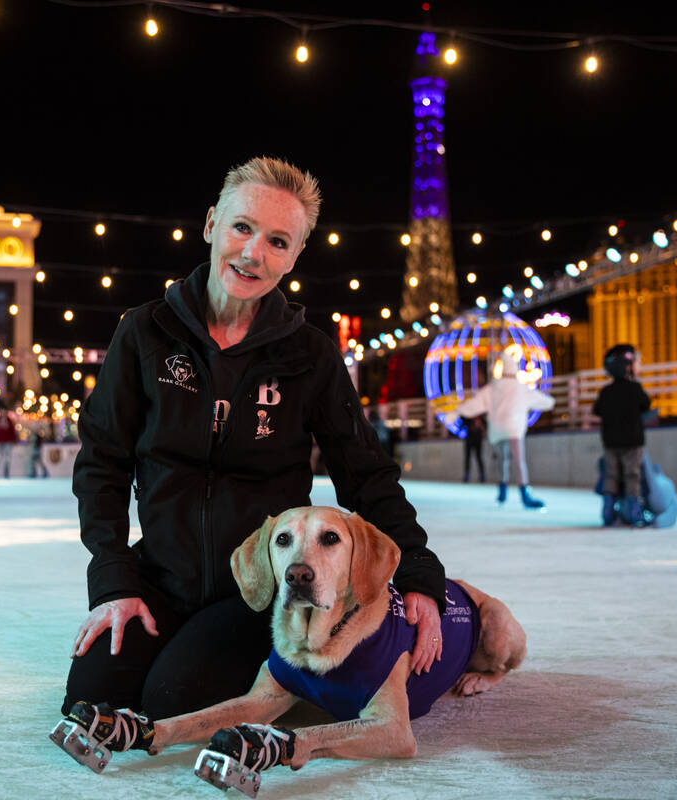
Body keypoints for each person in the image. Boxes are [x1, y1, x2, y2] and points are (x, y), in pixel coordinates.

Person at [63, 157, 446, 723]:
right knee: (91, 698)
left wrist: (417, 569)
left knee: (171, 698)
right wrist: (115, 582)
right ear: (212, 223)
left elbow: (363, 469)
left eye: (277, 241)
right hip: (161, 577)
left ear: (293, 257)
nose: (252, 253)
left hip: (259, 588)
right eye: (242, 228)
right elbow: (103, 463)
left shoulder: (309, 355)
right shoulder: (143, 332)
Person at [453, 344, 556, 509]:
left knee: (502, 459)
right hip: (514, 429)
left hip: (498, 429)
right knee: (518, 460)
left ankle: (502, 491)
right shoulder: (521, 387)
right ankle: (524, 493)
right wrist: (551, 402)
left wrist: (458, 411)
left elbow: (476, 403)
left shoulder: (493, 388)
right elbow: (542, 401)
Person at [592, 344, 652, 526]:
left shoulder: (606, 392)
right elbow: (646, 405)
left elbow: (597, 410)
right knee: (632, 474)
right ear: (628, 366)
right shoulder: (635, 389)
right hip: (632, 441)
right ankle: (634, 511)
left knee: (611, 475)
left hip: (610, 442)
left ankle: (608, 511)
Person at [0, 408, 16, 478]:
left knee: (7, 458)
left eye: (5, 412)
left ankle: (6, 473)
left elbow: (12, 432)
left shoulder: (9, 421)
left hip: (7, 442)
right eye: (2, 412)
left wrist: (13, 441)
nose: (3, 414)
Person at [462, 414, 486, 483]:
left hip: (478, 438)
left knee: (479, 457)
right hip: (469, 438)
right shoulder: (467, 414)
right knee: (467, 458)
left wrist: (480, 425)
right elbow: (463, 424)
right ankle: (466, 475)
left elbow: (484, 426)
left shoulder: (481, 415)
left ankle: (482, 475)